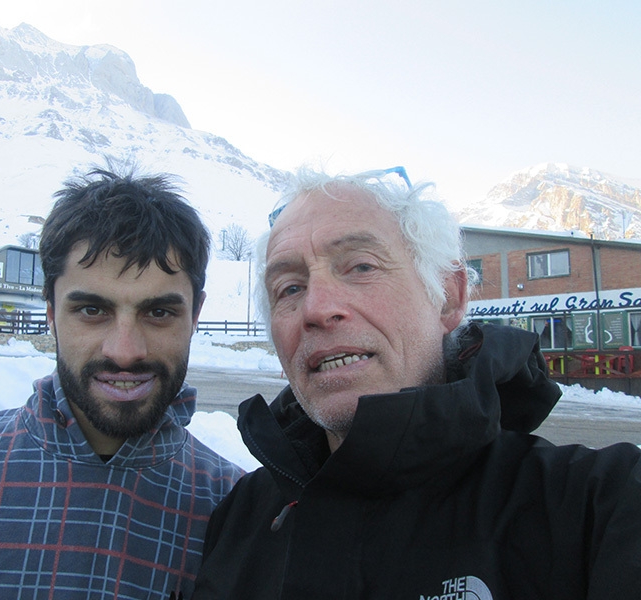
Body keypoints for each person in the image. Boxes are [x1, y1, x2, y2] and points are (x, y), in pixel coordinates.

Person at [192, 167, 641, 599]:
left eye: (362, 266)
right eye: (289, 288)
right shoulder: (237, 521)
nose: (316, 307)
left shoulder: (597, 509)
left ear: (448, 297)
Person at [0, 166, 244, 599]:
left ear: (195, 314)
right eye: (92, 310)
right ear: (50, 309)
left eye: (159, 312)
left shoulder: (237, 514)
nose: (125, 351)